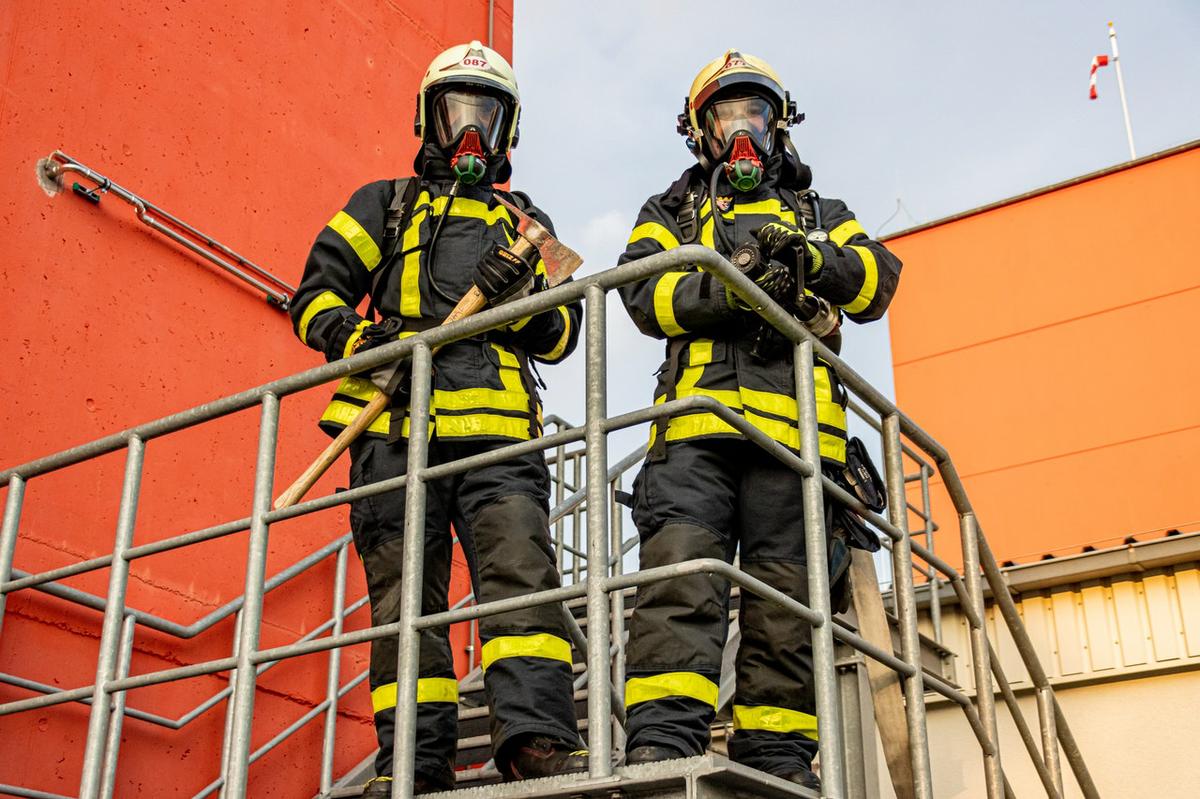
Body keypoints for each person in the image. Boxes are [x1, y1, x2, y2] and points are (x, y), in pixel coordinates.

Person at [289, 41, 585, 796]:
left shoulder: (527, 224)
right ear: (430, 117)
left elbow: (562, 333)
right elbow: (315, 298)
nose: (471, 135)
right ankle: (414, 767)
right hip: (394, 435)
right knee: (403, 607)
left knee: (521, 585)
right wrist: (367, 340)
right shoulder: (380, 204)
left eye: (486, 116)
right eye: (458, 113)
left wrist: (517, 294)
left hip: (499, 442)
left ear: (507, 128)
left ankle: (535, 743)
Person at [616, 50, 901, 790]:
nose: (743, 131)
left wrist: (808, 260)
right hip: (693, 439)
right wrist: (738, 290)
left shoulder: (819, 214)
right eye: (727, 116)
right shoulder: (671, 212)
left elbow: (878, 280)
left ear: (779, 125)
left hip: (796, 446)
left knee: (786, 605)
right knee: (681, 587)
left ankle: (775, 751)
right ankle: (663, 742)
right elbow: (644, 294)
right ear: (700, 130)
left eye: (756, 115)